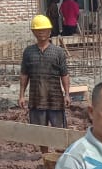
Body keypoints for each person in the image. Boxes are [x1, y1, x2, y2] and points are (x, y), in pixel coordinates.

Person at [19, 14, 71, 153]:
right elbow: (24, 75)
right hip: (36, 99)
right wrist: (21, 95)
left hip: (55, 99)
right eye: (38, 30)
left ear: (49, 32)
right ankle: (45, 156)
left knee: (59, 130)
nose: (41, 33)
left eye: (44, 30)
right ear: (33, 32)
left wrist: (67, 94)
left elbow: (64, 74)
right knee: (40, 132)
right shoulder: (28, 52)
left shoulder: (58, 52)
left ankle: (61, 156)